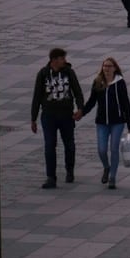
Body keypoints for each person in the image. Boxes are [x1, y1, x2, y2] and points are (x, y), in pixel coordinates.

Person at [30, 47, 84, 187]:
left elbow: (77, 91)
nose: (65, 61)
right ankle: (51, 177)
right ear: (54, 60)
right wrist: (33, 118)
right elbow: (36, 97)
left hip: (66, 115)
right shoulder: (43, 74)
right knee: (49, 145)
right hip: (49, 116)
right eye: (62, 59)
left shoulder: (69, 72)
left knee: (69, 145)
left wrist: (80, 108)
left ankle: (69, 170)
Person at [78, 57, 130, 189]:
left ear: (115, 68)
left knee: (114, 149)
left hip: (118, 122)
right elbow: (92, 101)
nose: (106, 69)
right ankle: (106, 167)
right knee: (102, 149)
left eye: (109, 66)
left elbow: (126, 103)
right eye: (104, 66)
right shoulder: (98, 82)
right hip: (102, 122)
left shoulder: (120, 83)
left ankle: (112, 177)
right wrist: (82, 113)